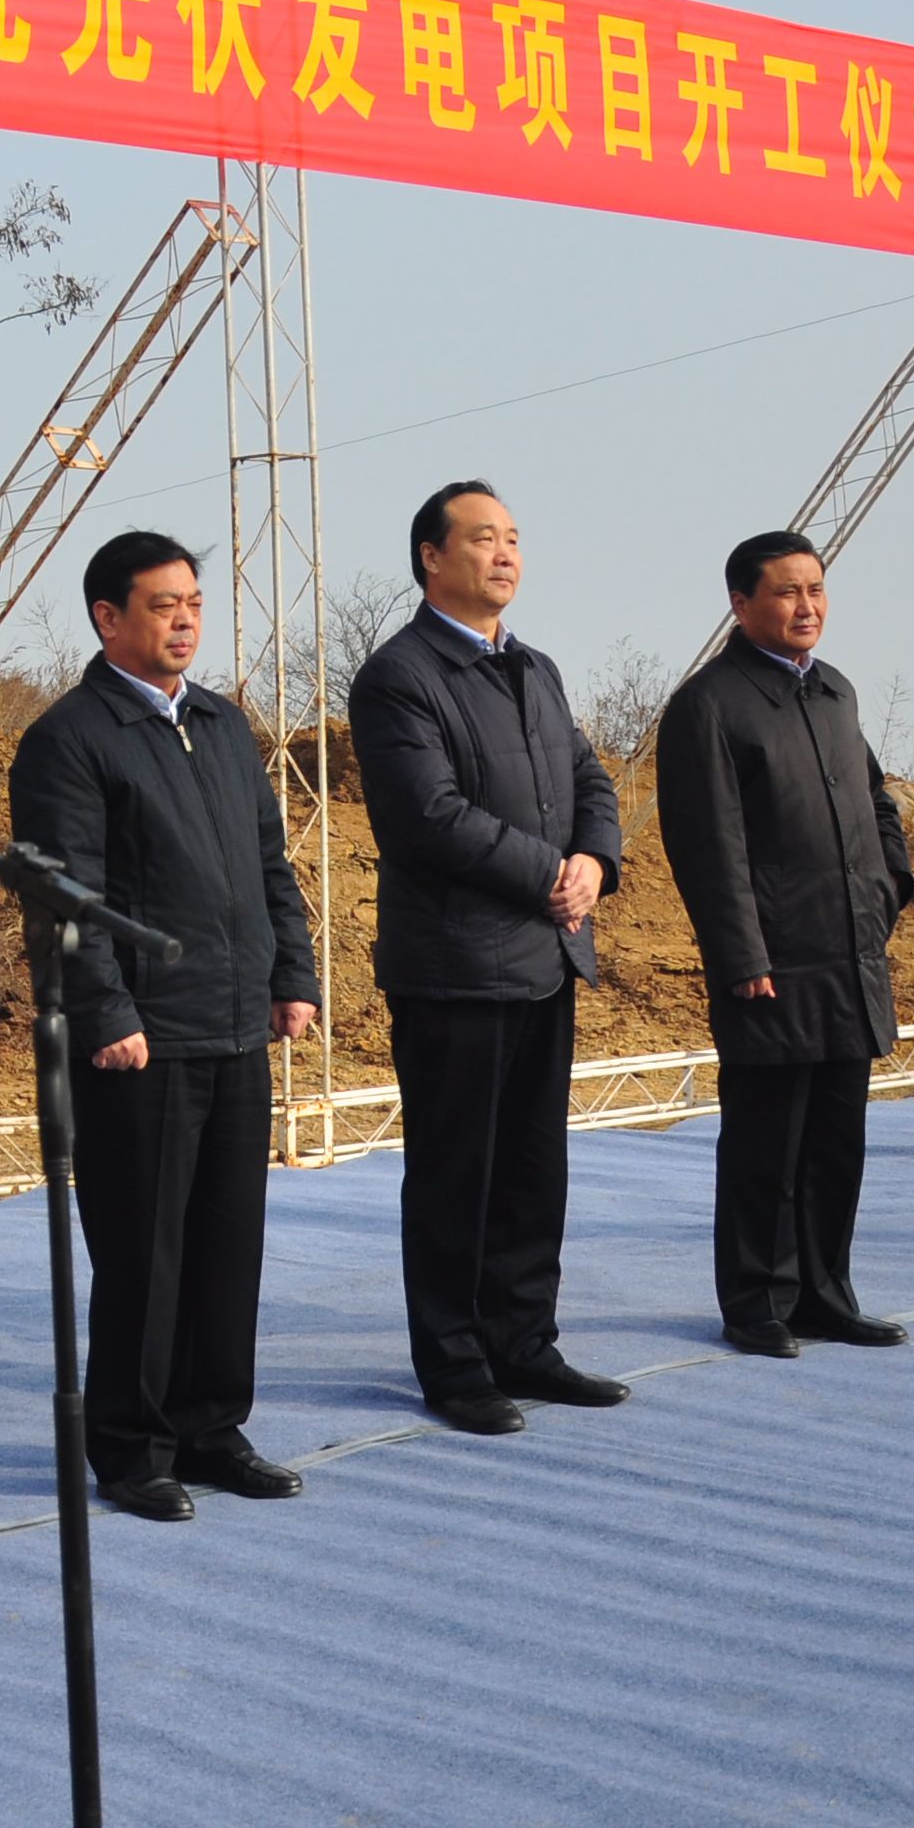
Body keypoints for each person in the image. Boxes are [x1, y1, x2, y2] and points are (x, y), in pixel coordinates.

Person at [8, 531, 322, 1521]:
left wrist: (292, 974)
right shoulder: (71, 738)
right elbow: (65, 895)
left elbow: (269, 867)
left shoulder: (223, 725)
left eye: (192, 602)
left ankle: (211, 1427)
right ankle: (133, 1446)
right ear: (108, 618)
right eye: (162, 604)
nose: (184, 620)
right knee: (144, 1254)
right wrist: (106, 1009)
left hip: (234, 1025)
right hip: (139, 1039)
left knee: (228, 1244)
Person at [347, 483, 629, 1435]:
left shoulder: (534, 667)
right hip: (455, 965)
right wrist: (549, 871)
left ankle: (524, 1341)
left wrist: (593, 861)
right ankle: (455, 1363)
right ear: (431, 556)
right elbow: (427, 816)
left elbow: (589, 776)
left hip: (547, 956)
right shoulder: (399, 675)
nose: (504, 554)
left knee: (532, 1169)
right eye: (482, 538)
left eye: (512, 538)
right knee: (454, 1176)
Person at [654, 532, 914, 1358]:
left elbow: (874, 799)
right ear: (740, 603)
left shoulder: (834, 691)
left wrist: (887, 884)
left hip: (849, 953)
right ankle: (757, 1301)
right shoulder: (709, 704)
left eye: (815, 589)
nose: (806, 606)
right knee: (766, 1144)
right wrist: (741, 954)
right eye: (785, 591)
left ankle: (825, 1295)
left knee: (836, 1141)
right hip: (771, 962)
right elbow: (707, 844)